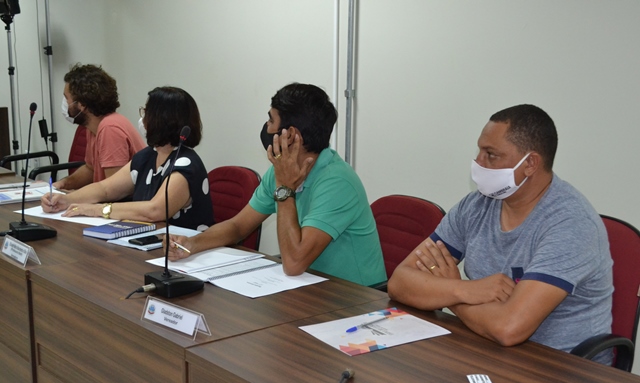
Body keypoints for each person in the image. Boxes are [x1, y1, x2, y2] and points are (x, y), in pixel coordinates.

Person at [387, 104, 613, 363]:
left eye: (491, 155)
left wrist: (451, 296)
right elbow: (400, 282)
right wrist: (464, 290)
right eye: (479, 151)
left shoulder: (570, 223)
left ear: (530, 164)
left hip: (563, 370)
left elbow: (509, 328)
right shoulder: (476, 205)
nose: (478, 163)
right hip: (488, 349)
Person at [167, 83, 386, 287]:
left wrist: (284, 188)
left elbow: (294, 263)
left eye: (271, 121)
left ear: (290, 135)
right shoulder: (280, 170)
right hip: (309, 286)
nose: (267, 128)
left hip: (353, 298)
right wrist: (192, 244)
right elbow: (238, 226)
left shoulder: (337, 182)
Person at [41, 87, 213, 231]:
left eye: (146, 112)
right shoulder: (148, 156)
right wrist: (66, 200)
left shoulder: (185, 165)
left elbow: (155, 210)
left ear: (161, 120)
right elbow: (105, 189)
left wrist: (99, 210)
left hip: (183, 250)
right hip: (149, 241)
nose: (142, 119)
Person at [55, 63, 146, 190]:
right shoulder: (93, 127)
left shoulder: (109, 129)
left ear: (82, 105)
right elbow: (90, 169)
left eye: (67, 98)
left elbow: (115, 191)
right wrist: (61, 184)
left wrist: (71, 198)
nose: (65, 103)